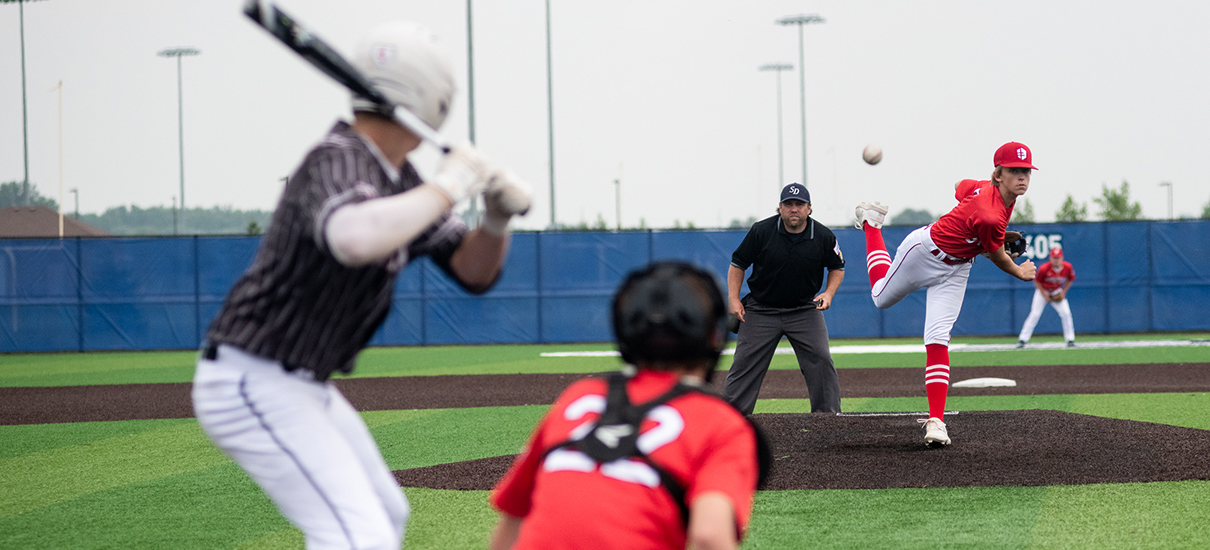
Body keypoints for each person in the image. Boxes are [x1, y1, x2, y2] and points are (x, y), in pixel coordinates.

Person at [191, 22, 531, 550]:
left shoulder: (400, 179)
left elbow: (472, 272)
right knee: (356, 535)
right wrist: (450, 185)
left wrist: (494, 220)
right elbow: (350, 237)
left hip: (303, 385)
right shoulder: (337, 156)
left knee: (384, 515)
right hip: (251, 379)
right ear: (430, 100)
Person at [490, 262, 763, 550]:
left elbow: (512, 524)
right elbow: (709, 537)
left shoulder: (580, 396)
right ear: (713, 337)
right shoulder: (720, 421)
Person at [853, 142, 1038, 447]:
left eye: (1026, 171)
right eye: (1014, 171)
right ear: (998, 174)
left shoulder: (990, 191)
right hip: (925, 252)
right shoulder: (990, 213)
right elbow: (996, 255)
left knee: (938, 338)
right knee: (880, 297)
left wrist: (981, 231)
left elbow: (959, 187)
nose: (1022, 177)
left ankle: (936, 421)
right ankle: (872, 226)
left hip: (957, 267)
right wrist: (1020, 271)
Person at [722, 183, 845, 415]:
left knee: (821, 359)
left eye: (799, 204)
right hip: (761, 310)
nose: (794, 209)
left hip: (804, 310)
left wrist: (828, 293)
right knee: (744, 364)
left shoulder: (823, 236)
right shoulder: (762, 231)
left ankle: (828, 417)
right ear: (779, 208)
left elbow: (837, 267)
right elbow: (738, 263)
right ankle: (730, 418)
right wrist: (733, 298)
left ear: (809, 208)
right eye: (788, 204)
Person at [1017, 246, 1077, 348]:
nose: (1056, 260)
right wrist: (1045, 296)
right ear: (1050, 258)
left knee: (1066, 314)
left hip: (1056, 292)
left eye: (1058, 258)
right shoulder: (1044, 268)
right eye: (1054, 258)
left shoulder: (1067, 267)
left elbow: (1070, 279)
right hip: (1042, 292)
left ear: (1062, 258)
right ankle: (1023, 339)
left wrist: (1063, 292)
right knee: (1035, 314)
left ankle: (1070, 339)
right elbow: (1037, 281)